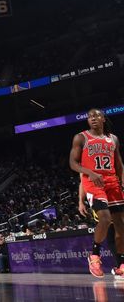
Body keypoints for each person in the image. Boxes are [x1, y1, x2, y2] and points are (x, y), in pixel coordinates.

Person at [69, 108, 124, 278]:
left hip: (112, 181)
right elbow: (72, 163)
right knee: (105, 219)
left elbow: (119, 164)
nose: (92, 118)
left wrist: (122, 181)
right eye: (90, 117)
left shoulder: (113, 138)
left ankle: (122, 264)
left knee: (121, 226)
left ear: (103, 119)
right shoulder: (81, 137)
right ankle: (94, 255)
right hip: (92, 182)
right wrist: (90, 172)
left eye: (96, 116)